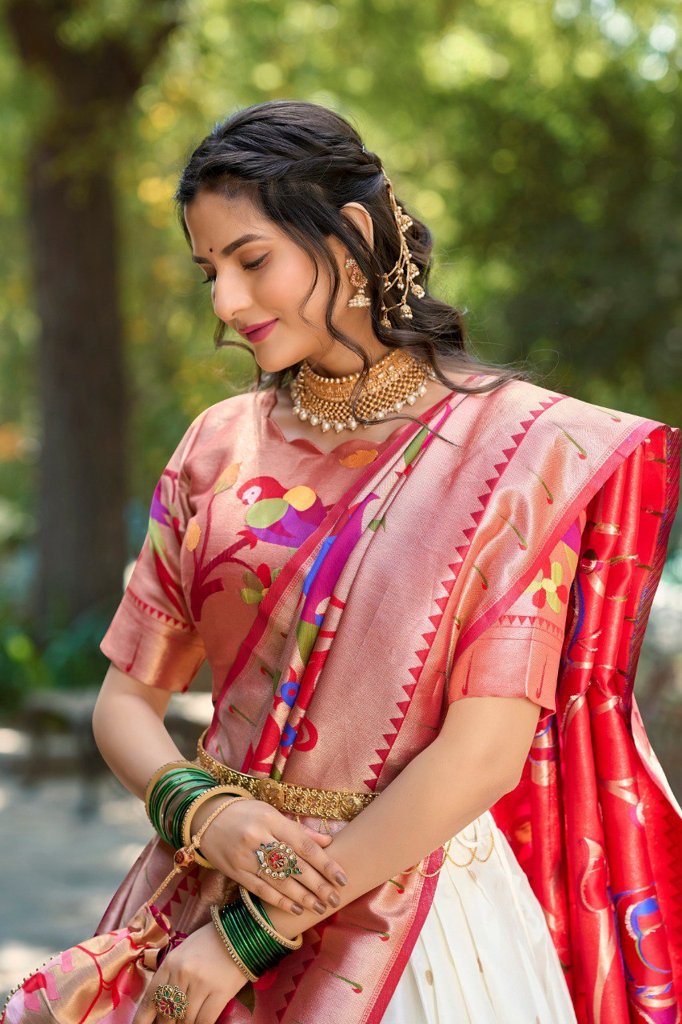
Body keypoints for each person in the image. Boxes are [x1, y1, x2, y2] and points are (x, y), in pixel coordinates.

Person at [3, 99, 680, 1024]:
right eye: (210, 272)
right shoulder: (218, 446)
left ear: (353, 237)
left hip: (408, 919)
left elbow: (482, 755)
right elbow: (127, 703)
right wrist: (204, 813)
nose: (226, 304)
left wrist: (249, 937)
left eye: (252, 261)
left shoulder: (521, 455)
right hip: (199, 885)